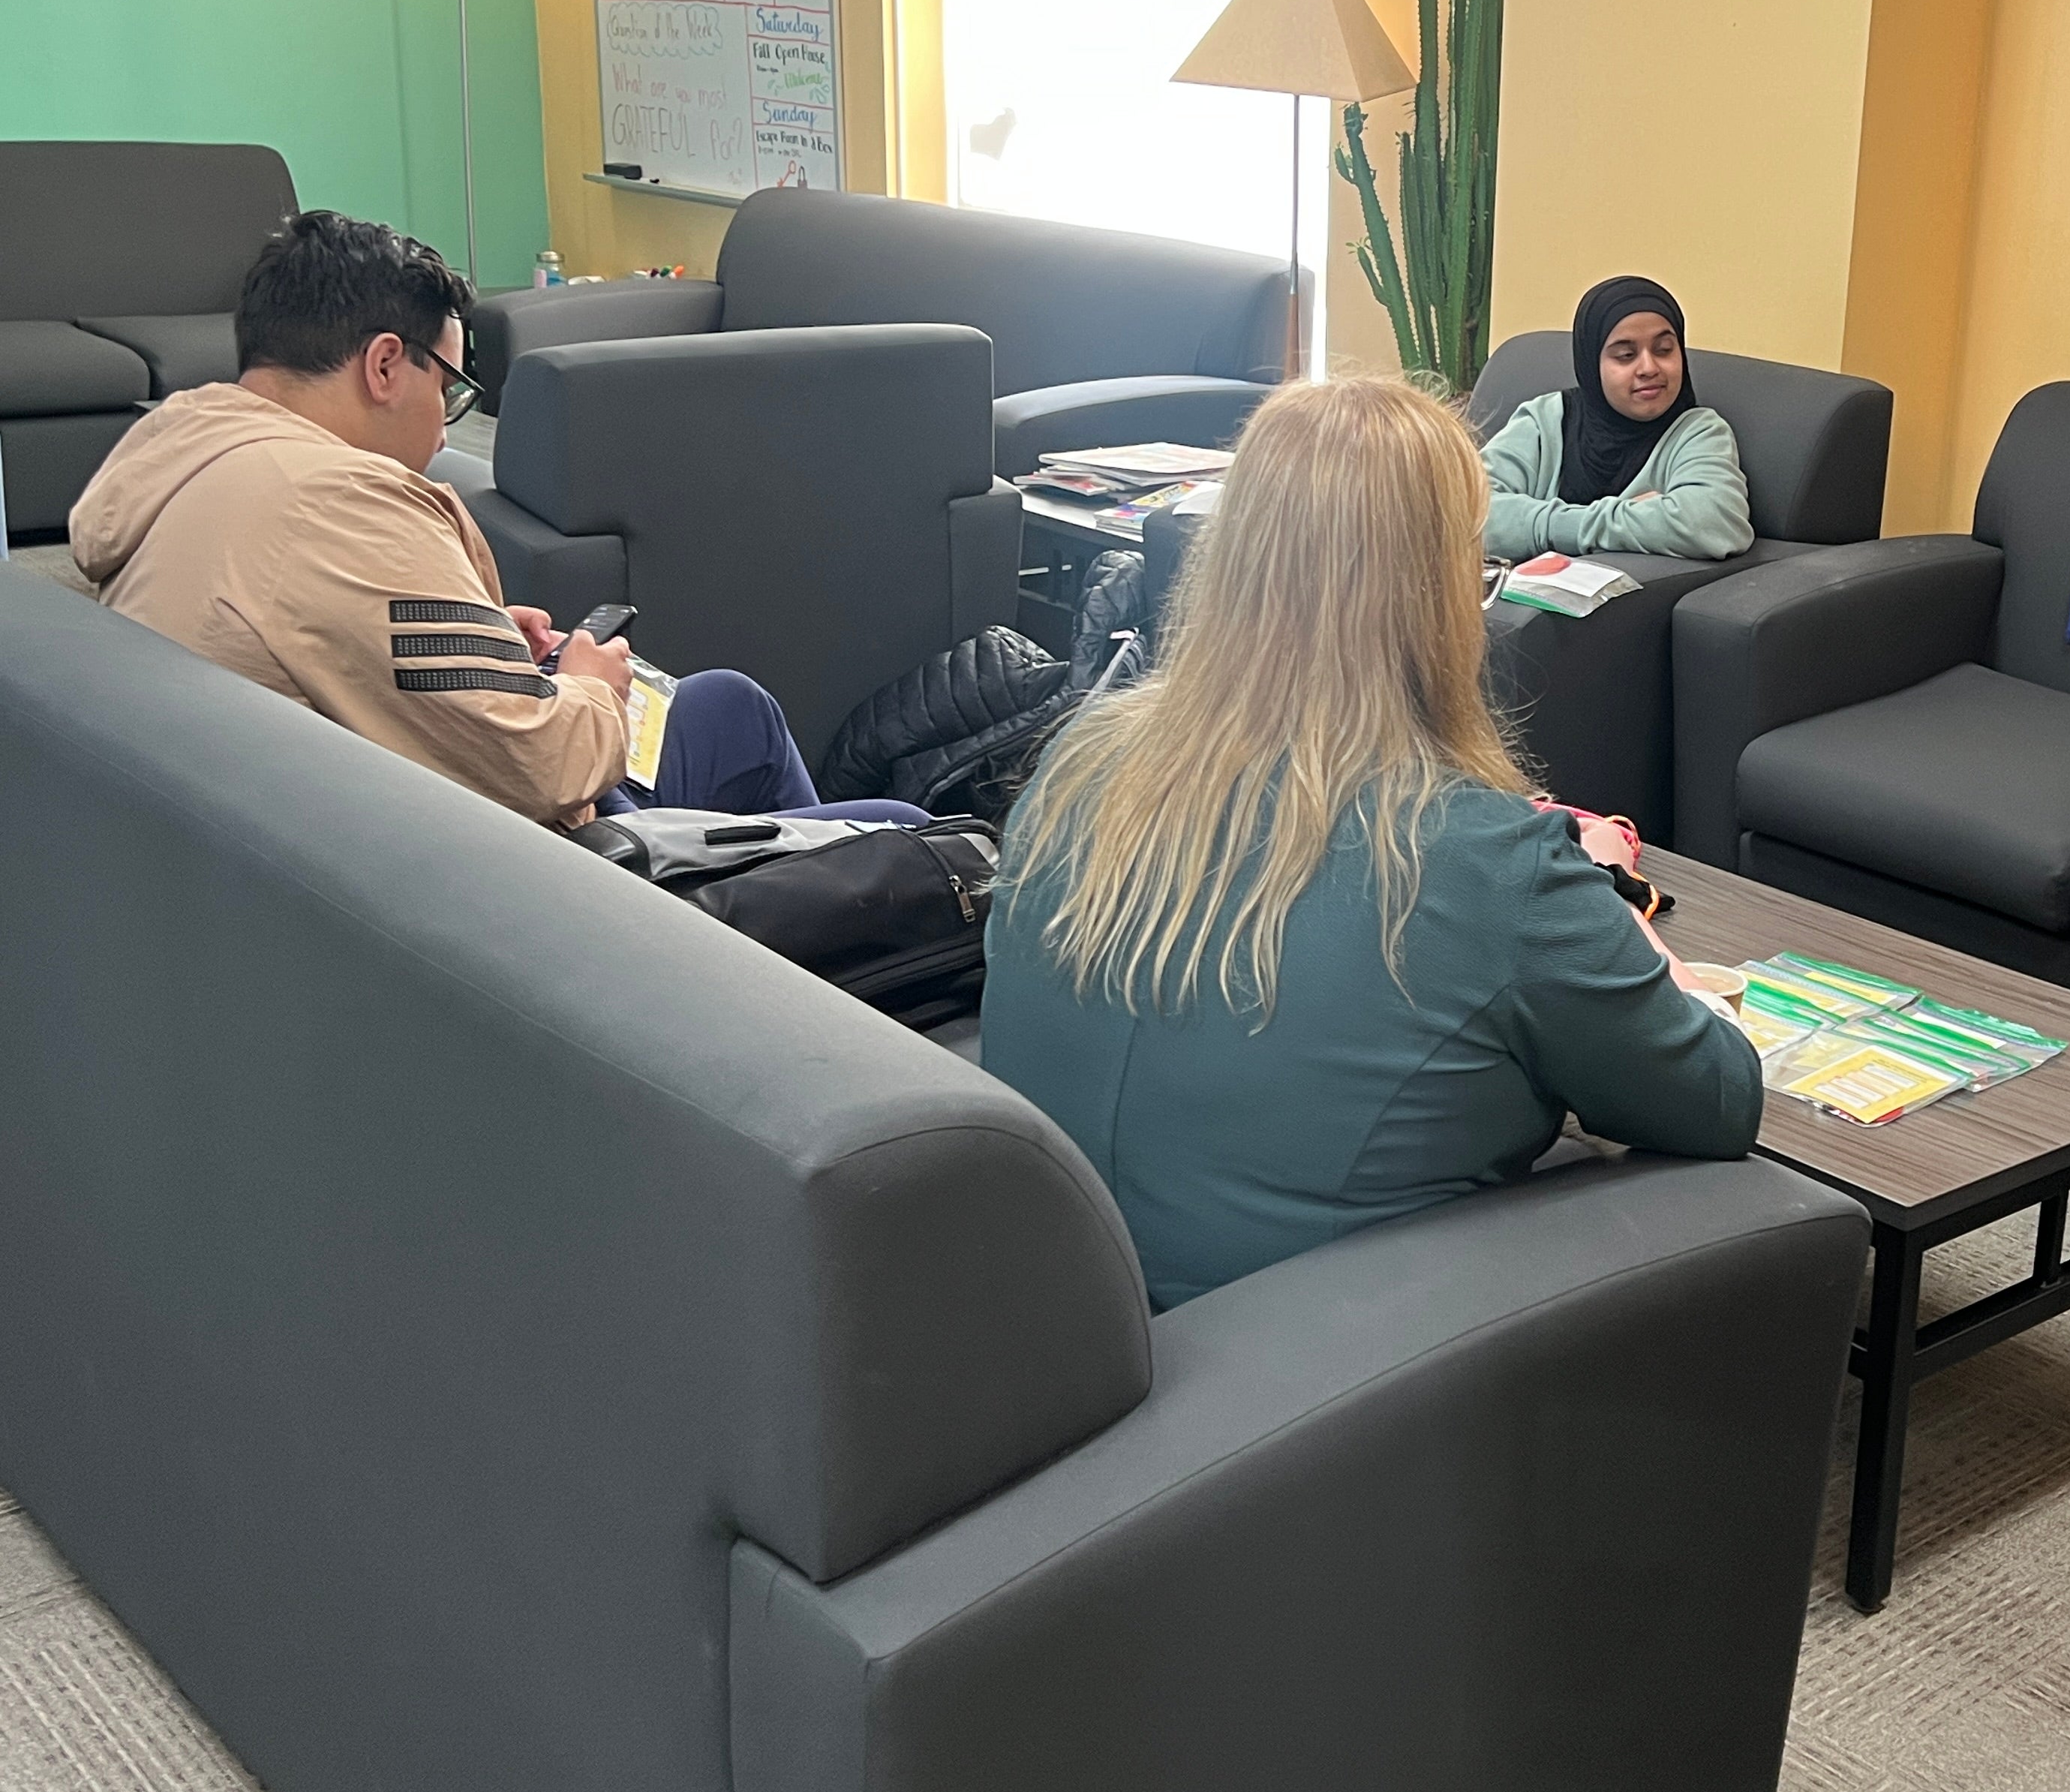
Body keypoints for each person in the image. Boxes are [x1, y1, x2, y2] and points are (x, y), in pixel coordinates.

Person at [984, 371, 1763, 1309]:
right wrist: (1630, 934)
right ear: (1439, 591)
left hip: (1047, 1317)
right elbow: (1718, 1103)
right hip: (1331, 1390)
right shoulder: (1484, 859)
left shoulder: (1086, 753)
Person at [71, 209, 924, 832]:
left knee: (727, 707)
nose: (445, 425)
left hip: (337, 816)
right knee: (901, 834)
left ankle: (791, 904)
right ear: (383, 366)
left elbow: (349, 639)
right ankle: (809, 958)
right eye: (446, 386)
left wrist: (479, 634)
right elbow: (544, 767)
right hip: (494, 869)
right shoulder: (337, 507)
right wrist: (590, 686)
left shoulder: (191, 450)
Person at [1480, 274, 1752, 561]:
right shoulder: (1544, 420)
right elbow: (1464, 511)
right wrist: (1631, 516)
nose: (1648, 367)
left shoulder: (1698, 433)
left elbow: (1713, 523)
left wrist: (1530, 523)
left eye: (1664, 350)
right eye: (1625, 355)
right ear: (1591, 362)